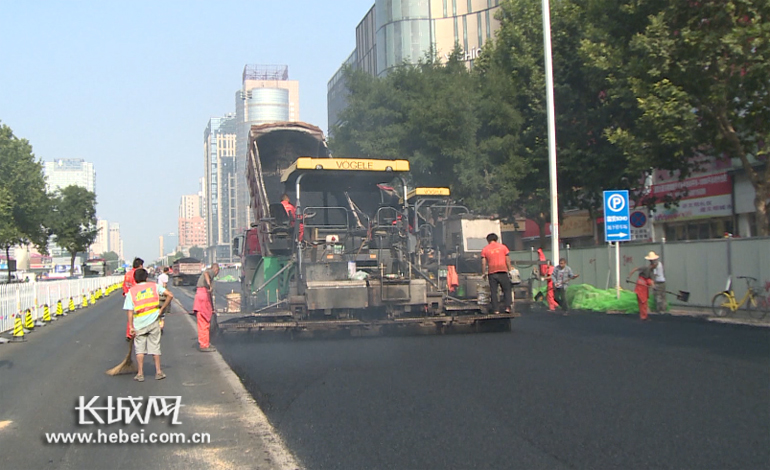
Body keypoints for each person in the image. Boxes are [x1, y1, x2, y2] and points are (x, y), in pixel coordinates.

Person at [124, 268, 174, 381]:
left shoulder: (131, 292)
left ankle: (140, 373)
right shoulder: (154, 286)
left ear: (135, 279)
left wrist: (131, 326)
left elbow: (130, 311)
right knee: (155, 347)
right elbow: (170, 295)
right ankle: (159, 372)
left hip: (139, 323)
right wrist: (161, 309)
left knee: (140, 349)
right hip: (153, 321)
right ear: (146, 277)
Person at [480, 233, 512, 314]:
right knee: (506, 290)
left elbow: (483, 263)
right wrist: (510, 270)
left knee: (494, 292)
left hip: (492, 273)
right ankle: (507, 307)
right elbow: (507, 260)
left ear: (488, 240)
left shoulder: (485, 249)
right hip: (503, 271)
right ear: (496, 239)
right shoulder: (503, 247)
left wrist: (484, 273)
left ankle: (496, 310)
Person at [193, 263, 220, 352]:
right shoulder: (211, 272)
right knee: (203, 322)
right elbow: (206, 273)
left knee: (205, 322)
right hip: (203, 298)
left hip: (203, 298)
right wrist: (209, 285)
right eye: (217, 273)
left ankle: (205, 343)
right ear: (216, 270)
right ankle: (204, 345)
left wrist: (212, 309)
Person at [627, 254, 656, 321]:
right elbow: (635, 269)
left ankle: (644, 315)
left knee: (644, 301)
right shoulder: (645, 268)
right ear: (653, 264)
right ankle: (643, 316)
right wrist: (629, 276)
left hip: (644, 286)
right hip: (641, 286)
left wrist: (653, 286)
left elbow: (650, 281)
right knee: (643, 301)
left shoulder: (651, 272)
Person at [122, 258, 143, 341]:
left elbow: (124, 285)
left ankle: (129, 333)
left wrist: (125, 293)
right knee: (138, 315)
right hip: (136, 296)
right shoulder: (137, 274)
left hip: (128, 295)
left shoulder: (128, 274)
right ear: (140, 265)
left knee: (130, 315)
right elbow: (138, 286)